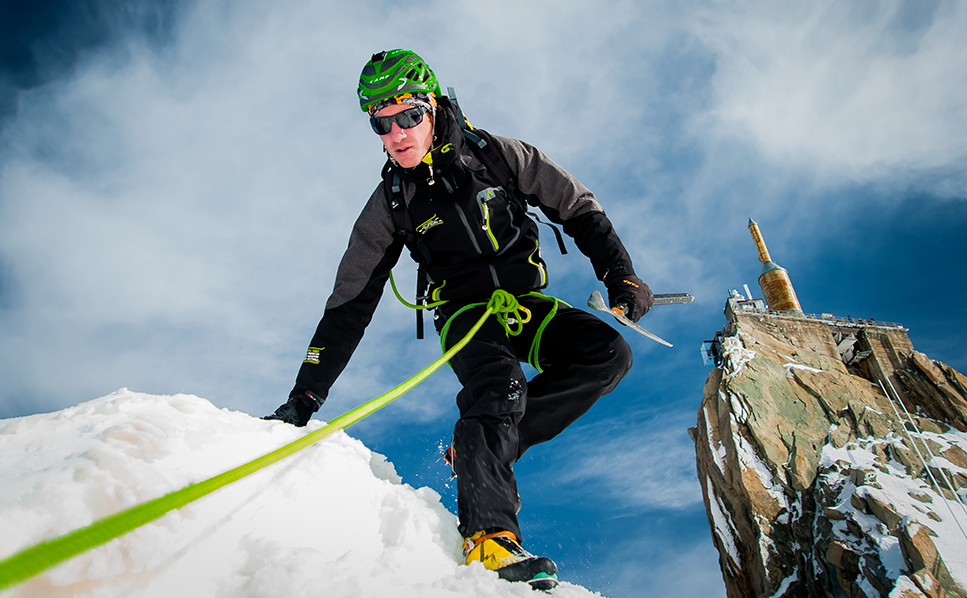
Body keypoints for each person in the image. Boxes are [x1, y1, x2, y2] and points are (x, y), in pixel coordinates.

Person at [265, 49, 652, 591]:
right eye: (381, 122)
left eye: (406, 115)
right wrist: (305, 397)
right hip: (468, 317)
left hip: (524, 304)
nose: (396, 132)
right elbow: (349, 302)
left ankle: (484, 445)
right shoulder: (391, 204)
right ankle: (489, 537)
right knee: (499, 387)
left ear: (432, 107)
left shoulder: (496, 156)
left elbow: (576, 205)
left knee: (609, 355)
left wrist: (621, 275)